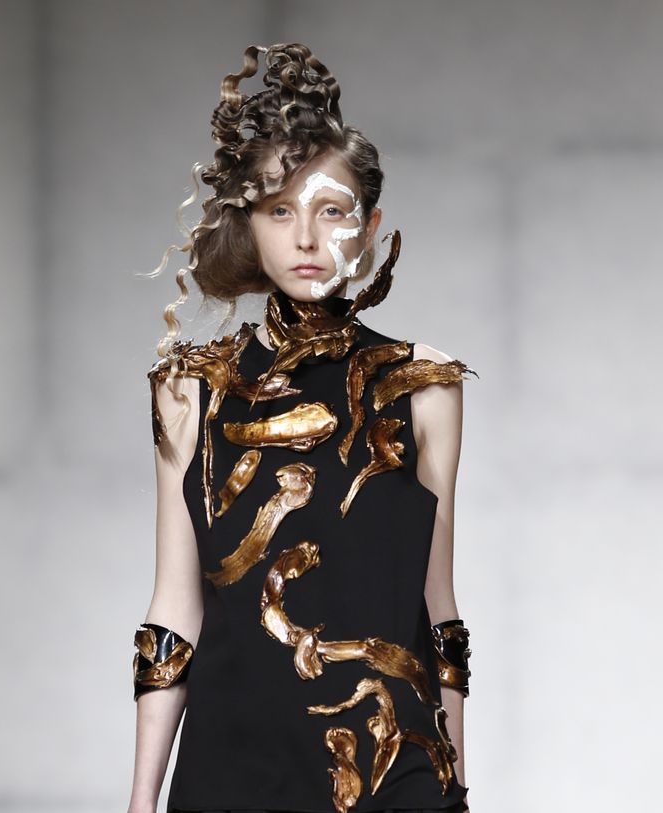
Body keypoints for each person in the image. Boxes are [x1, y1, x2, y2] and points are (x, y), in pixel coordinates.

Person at [128, 42, 476, 813]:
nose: (307, 238)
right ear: (249, 224)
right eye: (280, 210)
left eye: (332, 210)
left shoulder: (423, 386)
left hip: (391, 775)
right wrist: (140, 800)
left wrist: (456, 787)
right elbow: (174, 608)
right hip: (231, 774)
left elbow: (437, 611)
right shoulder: (190, 390)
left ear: (369, 225)